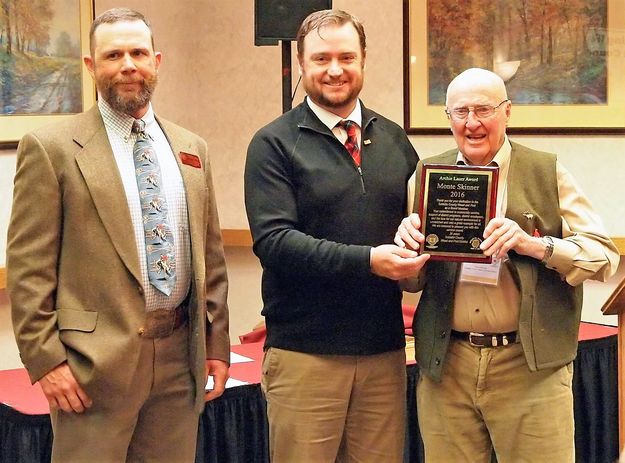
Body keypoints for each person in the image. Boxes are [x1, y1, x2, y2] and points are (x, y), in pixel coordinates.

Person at [6, 8, 230, 462]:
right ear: (91, 67)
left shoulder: (191, 149)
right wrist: (46, 360)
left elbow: (212, 258)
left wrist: (217, 343)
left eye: (138, 52)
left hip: (178, 364)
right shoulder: (52, 150)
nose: (128, 64)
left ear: (157, 61)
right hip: (93, 368)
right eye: (113, 55)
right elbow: (29, 270)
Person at [395, 67, 620, 462]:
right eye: (460, 112)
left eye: (483, 109)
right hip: (448, 366)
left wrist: (536, 246)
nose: (472, 123)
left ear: (508, 112)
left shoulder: (546, 171)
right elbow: (412, 282)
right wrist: (407, 252)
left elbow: (604, 256)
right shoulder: (427, 175)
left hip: (529, 366)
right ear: (447, 118)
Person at [244, 9, 428, 463]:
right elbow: (275, 243)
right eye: (321, 58)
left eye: (346, 56)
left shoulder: (394, 141)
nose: (334, 69)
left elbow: (420, 224)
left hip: (384, 353)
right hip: (305, 356)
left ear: (364, 60)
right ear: (302, 65)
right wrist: (369, 261)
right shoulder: (273, 144)